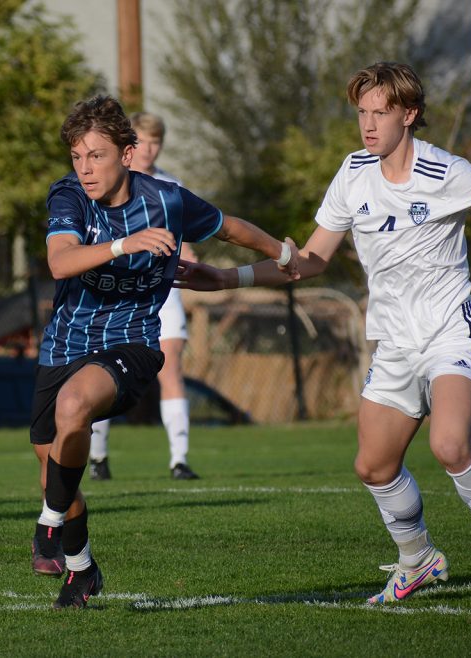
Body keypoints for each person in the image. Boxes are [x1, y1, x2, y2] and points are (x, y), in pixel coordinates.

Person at [174, 62, 471, 610]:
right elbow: (313, 260)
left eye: (380, 113)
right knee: (372, 466)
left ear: (409, 114)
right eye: (362, 113)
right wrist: (229, 277)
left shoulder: (448, 173)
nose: (368, 125)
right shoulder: (352, 174)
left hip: (450, 332)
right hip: (394, 343)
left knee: (449, 444)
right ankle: (418, 558)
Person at [29, 95, 298, 609]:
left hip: (132, 341)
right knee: (53, 466)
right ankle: (82, 569)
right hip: (65, 342)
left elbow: (229, 227)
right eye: (77, 157)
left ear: (127, 155)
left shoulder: (167, 200)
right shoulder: (68, 196)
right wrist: (122, 245)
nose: (85, 169)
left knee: (73, 408)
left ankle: (46, 526)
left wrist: (284, 254)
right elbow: (61, 263)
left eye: (97, 156)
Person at [89, 111, 200, 481]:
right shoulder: (108, 186)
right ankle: (98, 455)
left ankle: (179, 460)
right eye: (143, 141)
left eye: (156, 142)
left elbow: (184, 236)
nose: (149, 149)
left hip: (162, 291)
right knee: (104, 370)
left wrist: (189, 254)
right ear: (128, 146)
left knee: (171, 369)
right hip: (120, 290)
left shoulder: (170, 185)